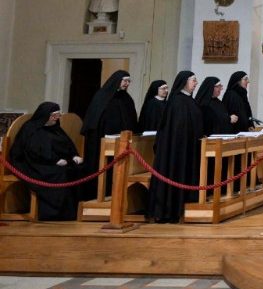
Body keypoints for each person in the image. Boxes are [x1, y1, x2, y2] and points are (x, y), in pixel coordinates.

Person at [9, 102, 84, 220]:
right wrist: (55, 160)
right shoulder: (31, 128)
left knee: (77, 169)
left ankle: (72, 212)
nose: (56, 118)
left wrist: (74, 156)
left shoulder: (55, 128)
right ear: (45, 115)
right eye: (54, 115)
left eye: (58, 115)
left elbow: (67, 145)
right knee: (59, 173)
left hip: (57, 162)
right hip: (35, 164)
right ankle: (54, 213)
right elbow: (33, 151)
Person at [148, 71, 203, 224]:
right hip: (176, 150)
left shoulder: (189, 101)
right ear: (184, 81)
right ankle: (169, 211)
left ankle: (183, 209)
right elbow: (175, 129)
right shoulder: (177, 101)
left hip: (189, 147)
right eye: (193, 80)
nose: (196, 83)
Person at [80, 70, 137, 199]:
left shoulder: (126, 98)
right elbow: (94, 121)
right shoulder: (102, 97)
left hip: (122, 141)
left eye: (129, 81)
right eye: (125, 81)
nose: (127, 84)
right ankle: (99, 194)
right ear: (117, 81)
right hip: (104, 141)